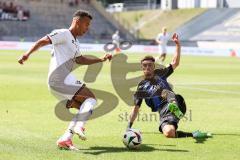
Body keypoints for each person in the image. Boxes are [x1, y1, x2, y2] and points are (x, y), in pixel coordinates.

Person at [18, 10, 112, 150]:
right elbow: (43, 41)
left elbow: (80, 59)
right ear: (77, 22)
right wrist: (27, 54)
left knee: (85, 109)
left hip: (60, 82)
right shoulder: (63, 33)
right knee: (91, 99)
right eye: (86, 24)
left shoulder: (75, 42)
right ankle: (80, 126)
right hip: (59, 78)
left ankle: (66, 139)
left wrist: (100, 59)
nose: (87, 28)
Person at [127, 33, 211, 138]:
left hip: (174, 102)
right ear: (141, 68)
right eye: (145, 65)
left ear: (154, 67)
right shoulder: (141, 88)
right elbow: (136, 108)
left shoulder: (160, 73)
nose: (147, 67)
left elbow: (175, 63)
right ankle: (194, 134)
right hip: (163, 112)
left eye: (150, 65)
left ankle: (174, 106)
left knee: (165, 92)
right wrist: (128, 127)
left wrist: (178, 45)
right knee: (169, 133)